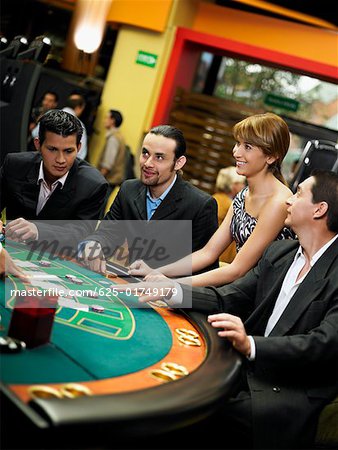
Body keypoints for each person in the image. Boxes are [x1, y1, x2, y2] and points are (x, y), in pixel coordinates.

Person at [117, 170, 338, 449]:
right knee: (167, 391)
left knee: (193, 414)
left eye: (299, 194)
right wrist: (169, 290)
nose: (288, 201)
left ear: (320, 209)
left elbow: (325, 343)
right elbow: (230, 297)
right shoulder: (279, 253)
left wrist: (250, 345)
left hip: (289, 388)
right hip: (241, 368)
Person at [129, 113, 295, 287]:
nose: (236, 152)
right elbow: (208, 253)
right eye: (238, 143)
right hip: (240, 287)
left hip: (262, 296)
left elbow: (237, 270)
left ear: (271, 156)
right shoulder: (243, 194)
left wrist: (173, 285)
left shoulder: (279, 202)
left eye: (248, 147)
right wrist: (156, 271)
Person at [80, 125, 219, 274]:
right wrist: (94, 245)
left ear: (178, 163)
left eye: (159, 157)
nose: (147, 163)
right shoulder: (128, 190)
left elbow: (204, 270)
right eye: (145, 153)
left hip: (171, 291)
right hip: (131, 284)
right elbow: (108, 233)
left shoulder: (200, 205)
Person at [0, 109, 108, 247]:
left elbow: (82, 232)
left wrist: (38, 230)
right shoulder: (15, 165)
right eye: (52, 149)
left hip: (55, 256)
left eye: (69, 151)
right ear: (38, 144)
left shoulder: (93, 185)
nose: (61, 160)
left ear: (79, 148)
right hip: (8, 248)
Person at [212, 166, 245, 263]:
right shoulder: (228, 205)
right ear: (233, 185)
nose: (244, 186)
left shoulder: (215, 198)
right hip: (222, 257)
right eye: (242, 183)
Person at [98, 109, 126, 200]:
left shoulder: (113, 138)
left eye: (106, 118)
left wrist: (98, 179)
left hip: (108, 179)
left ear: (112, 120)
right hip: (113, 178)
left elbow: (108, 164)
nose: (104, 120)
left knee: (99, 207)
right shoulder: (119, 136)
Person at [62, 94, 87, 160]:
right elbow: (81, 153)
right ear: (79, 107)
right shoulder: (79, 125)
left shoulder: (50, 114)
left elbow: (35, 133)